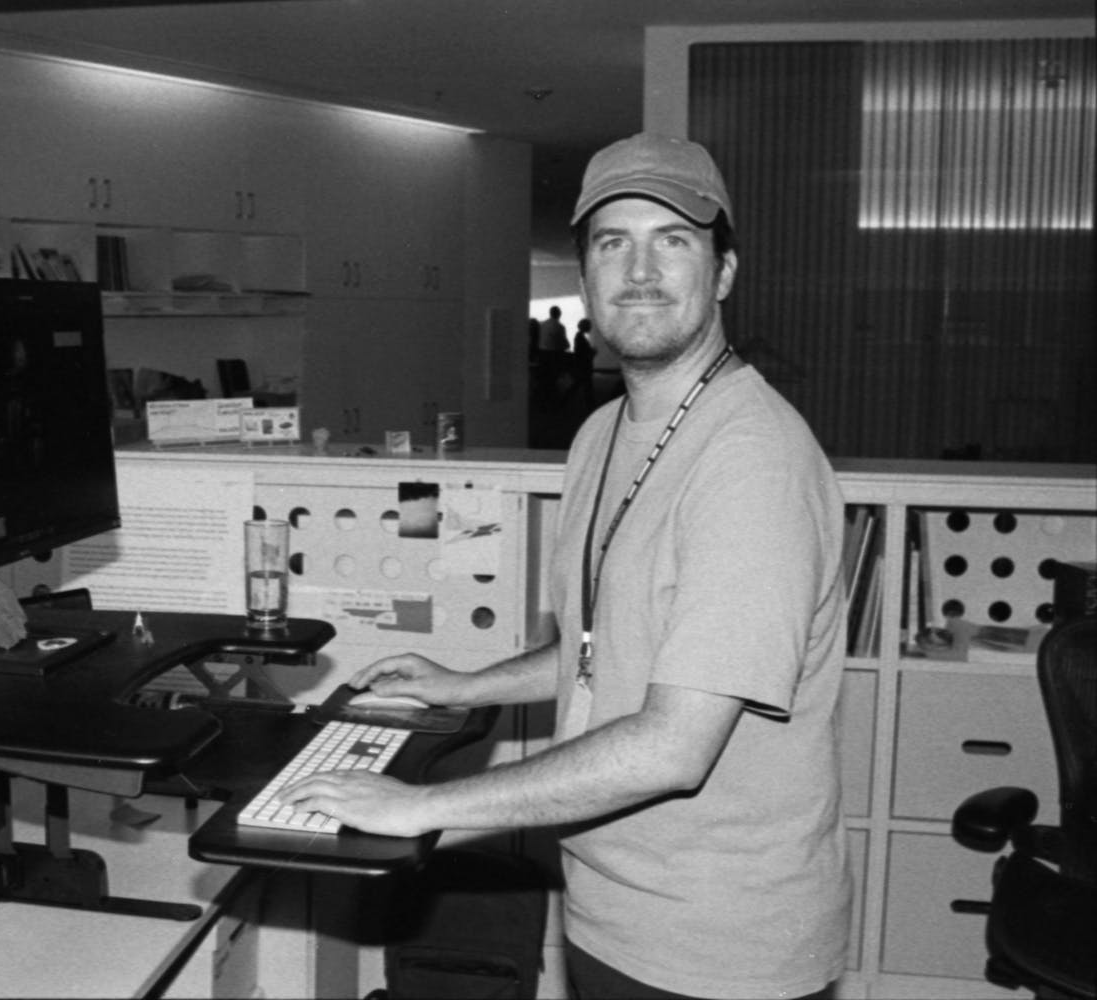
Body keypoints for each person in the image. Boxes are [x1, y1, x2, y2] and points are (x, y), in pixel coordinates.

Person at [283, 132, 850, 1000]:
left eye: (675, 240)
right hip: (611, 908)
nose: (641, 269)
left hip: (718, 943)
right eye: (613, 243)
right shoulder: (601, 434)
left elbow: (674, 747)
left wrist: (422, 808)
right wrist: (461, 684)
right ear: (585, 280)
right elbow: (610, 645)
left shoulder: (752, 463)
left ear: (724, 271)